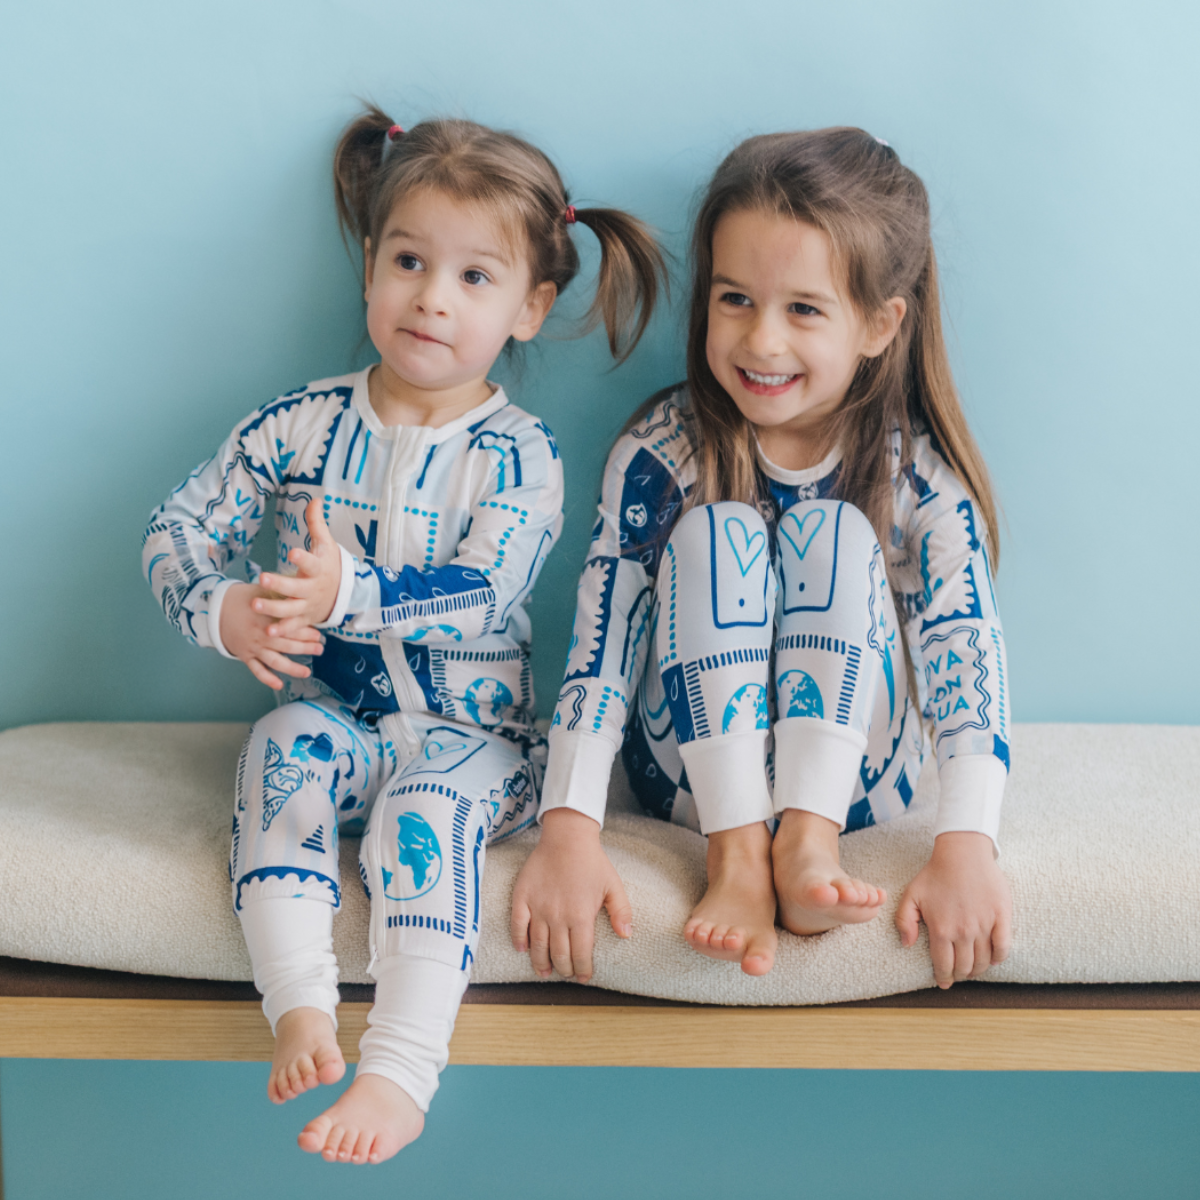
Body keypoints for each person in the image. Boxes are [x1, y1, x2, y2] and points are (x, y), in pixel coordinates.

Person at [144, 104, 664, 1164]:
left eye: (475, 277)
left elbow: (484, 589)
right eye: (409, 261)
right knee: (279, 747)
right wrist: (223, 611)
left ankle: (401, 1068)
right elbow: (178, 529)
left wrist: (347, 589)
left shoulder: (520, 456)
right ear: (372, 266)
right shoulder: (297, 424)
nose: (433, 297)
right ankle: (298, 1004)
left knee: (423, 813)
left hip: (479, 743)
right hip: (337, 722)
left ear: (530, 308)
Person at [513, 128, 1012, 992]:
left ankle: (809, 842)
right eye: (736, 299)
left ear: (879, 324)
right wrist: (567, 829)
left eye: (804, 309)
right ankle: (740, 856)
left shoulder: (916, 476)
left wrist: (968, 845)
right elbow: (605, 638)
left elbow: (963, 646)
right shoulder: (662, 452)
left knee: (835, 534)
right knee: (719, 533)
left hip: (860, 789)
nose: (762, 340)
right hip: (685, 783)